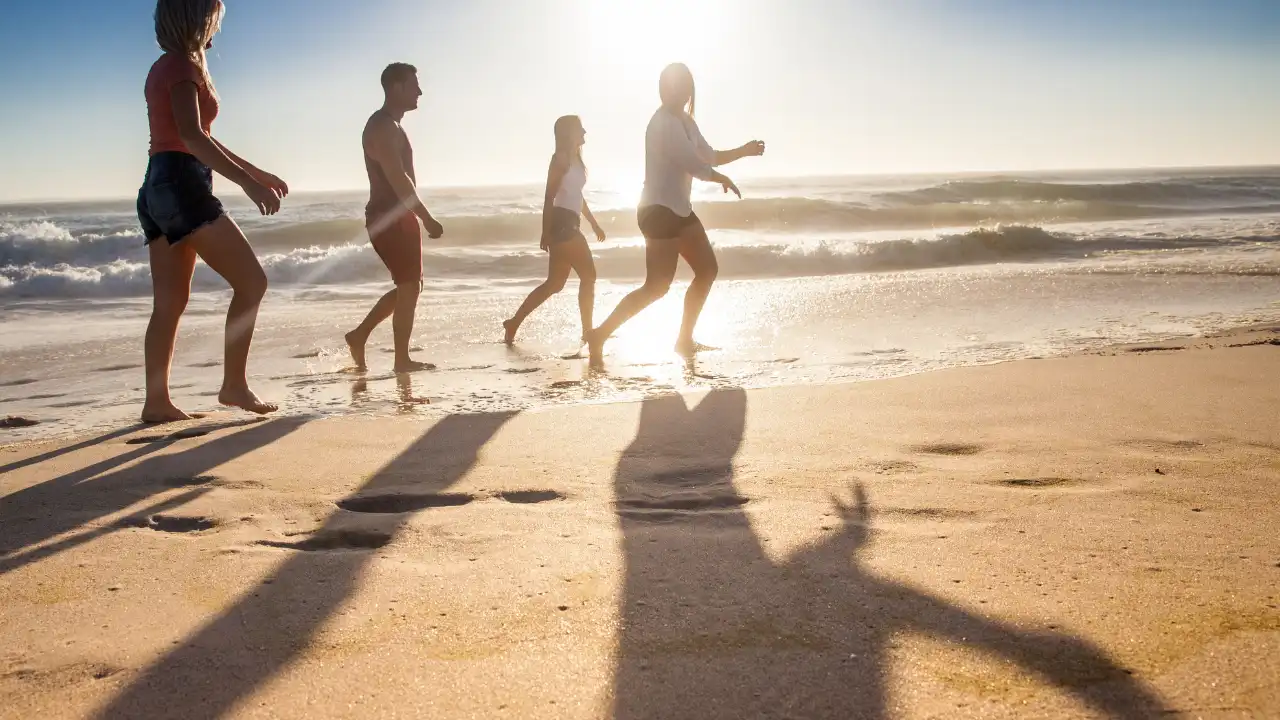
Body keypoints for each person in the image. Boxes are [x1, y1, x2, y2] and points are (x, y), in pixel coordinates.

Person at [138, 0, 287, 423]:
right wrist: (248, 183)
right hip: (183, 183)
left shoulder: (162, 67)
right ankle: (234, 386)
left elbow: (198, 135)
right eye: (213, 21)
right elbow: (191, 135)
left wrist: (254, 170)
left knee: (169, 302)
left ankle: (156, 403)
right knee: (252, 282)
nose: (215, 31)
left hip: (157, 186)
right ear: (199, 19)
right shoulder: (183, 67)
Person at [586, 63, 764, 365]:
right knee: (656, 287)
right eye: (670, 85)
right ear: (663, 89)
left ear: (688, 90)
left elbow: (708, 155)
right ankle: (599, 334)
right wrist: (720, 178)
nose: (675, 91)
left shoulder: (685, 121)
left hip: (679, 210)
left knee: (707, 270)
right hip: (658, 211)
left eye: (682, 86)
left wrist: (743, 151)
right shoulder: (662, 123)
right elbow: (691, 164)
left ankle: (684, 340)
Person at [344, 63, 444, 373]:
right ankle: (401, 360)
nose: (420, 91)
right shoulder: (382, 127)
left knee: (409, 287)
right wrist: (426, 217)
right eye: (414, 85)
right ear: (396, 87)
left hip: (395, 215)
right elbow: (399, 179)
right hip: (389, 217)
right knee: (410, 286)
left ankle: (359, 336)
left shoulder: (392, 125)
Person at [503, 115, 606, 346]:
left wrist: (593, 222)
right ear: (569, 132)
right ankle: (588, 332)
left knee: (555, 284)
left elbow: (577, 197)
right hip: (562, 224)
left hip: (571, 222)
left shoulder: (577, 161)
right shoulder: (560, 160)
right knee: (589, 276)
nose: (585, 132)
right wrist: (545, 231)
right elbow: (549, 196)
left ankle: (514, 323)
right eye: (580, 128)